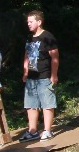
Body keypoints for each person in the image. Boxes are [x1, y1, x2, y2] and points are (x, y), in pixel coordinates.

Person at [20, 10, 59, 141]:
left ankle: (47, 130)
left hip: (44, 76)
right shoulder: (29, 38)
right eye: (28, 22)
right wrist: (25, 71)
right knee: (31, 104)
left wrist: (54, 75)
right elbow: (26, 55)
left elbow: (55, 57)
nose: (28, 24)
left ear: (39, 22)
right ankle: (32, 131)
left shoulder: (48, 37)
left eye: (31, 22)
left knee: (47, 103)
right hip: (31, 77)